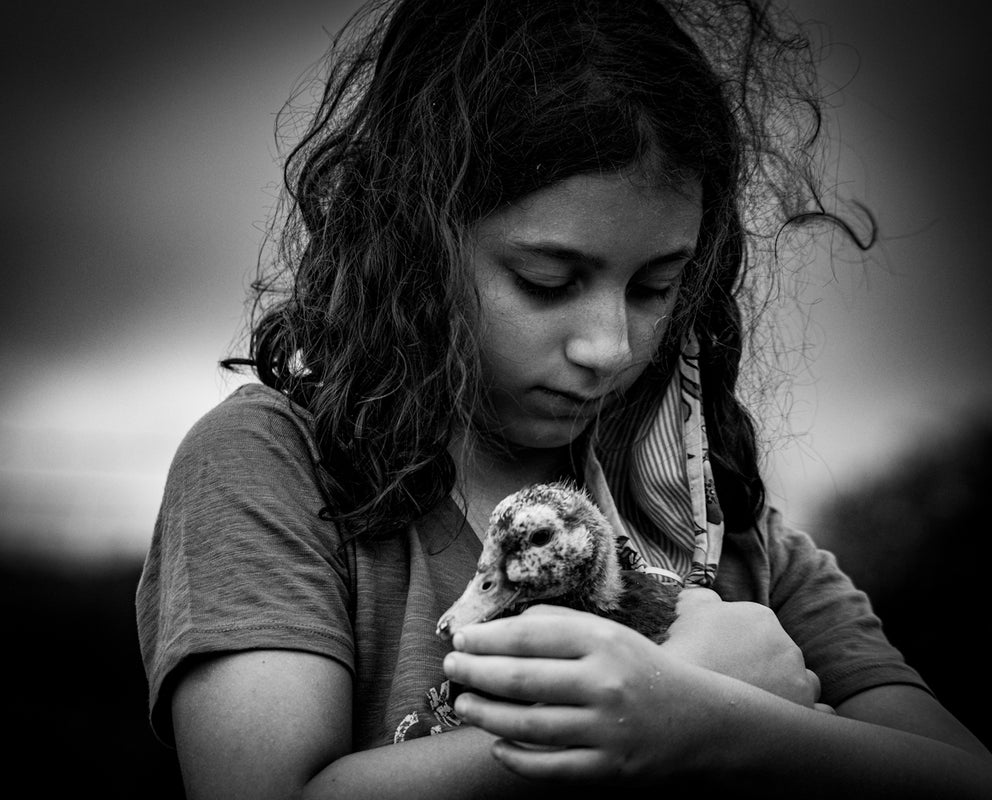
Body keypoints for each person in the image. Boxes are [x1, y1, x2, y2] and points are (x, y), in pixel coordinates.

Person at [136, 0, 992, 797]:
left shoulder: (716, 517)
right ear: (412, 241)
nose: (609, 346)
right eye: (548, 280)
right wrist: (654, 706)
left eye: (656, 286)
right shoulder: (273, 467)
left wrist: (720, 723)